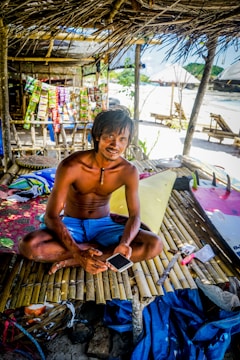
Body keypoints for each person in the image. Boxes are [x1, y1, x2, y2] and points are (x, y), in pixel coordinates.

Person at [19, 109, 163, 275]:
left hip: (104, 226)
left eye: (122, 139)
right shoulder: (71, 166)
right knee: (29, 246)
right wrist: (76, 250)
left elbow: (134, 216)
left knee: (154, 244)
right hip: (72, 225)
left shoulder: (128, 171)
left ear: (127, 142)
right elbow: (51, 216)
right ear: (97, 136)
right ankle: (92, 253)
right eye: (109, 136)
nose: (115, 145)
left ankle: (78, 260)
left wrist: (124, 242)